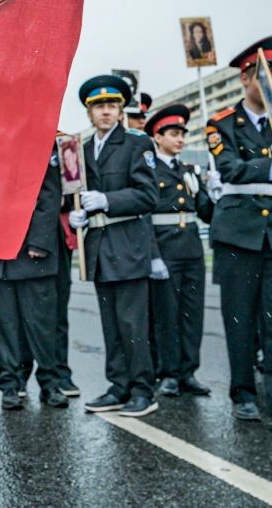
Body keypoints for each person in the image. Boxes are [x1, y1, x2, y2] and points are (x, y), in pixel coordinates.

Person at [205, 34, 272, 439]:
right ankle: (244, 392)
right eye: (268, 77)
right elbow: (229, 168)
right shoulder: (222, 123)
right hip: (239, 232)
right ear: (247, 79)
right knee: (240, 318)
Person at [69, 74, 159, 417]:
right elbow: (77, 195)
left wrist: (106, 199)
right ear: (90, 114)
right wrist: (78, 216)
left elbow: (148, 195)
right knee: (111, 323)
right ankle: (118, 385)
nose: (106, 112)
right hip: (99, 247)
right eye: (99, 107)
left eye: (111, 106)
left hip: (128, 245)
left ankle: (142, 390)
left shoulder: (137, 144)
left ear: (120, 110)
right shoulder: (82, 149)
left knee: (133, 323)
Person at [0, 144, 72, 411]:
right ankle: (10, 385)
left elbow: (49, 195)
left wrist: (41, 241)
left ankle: (49, 383)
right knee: (6, 327)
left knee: (42, 325)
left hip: (33, 252)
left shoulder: (40, 141)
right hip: (0, 250)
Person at [144, 104, 213, 397]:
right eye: (173, 134)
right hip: (164, 248)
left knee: (192, 313)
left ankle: (188, 372)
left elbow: (206, 211)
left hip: (191, 249)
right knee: (167, 314)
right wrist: (153, 255)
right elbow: (144, 215)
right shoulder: (148, 170)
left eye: (182, 134)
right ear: (157, 137)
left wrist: (213, 191)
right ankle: (168, 372)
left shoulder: (189, 171)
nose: (180, 140)